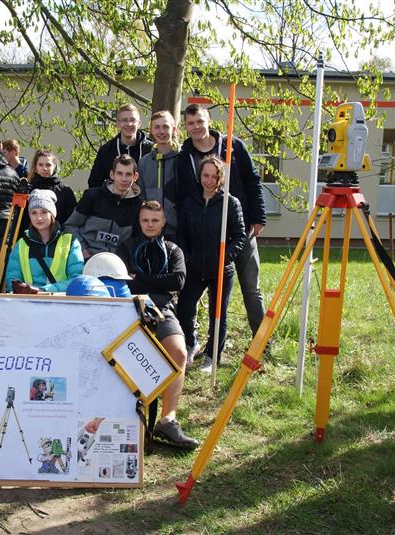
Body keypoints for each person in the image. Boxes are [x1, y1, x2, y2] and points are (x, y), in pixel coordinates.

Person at [175, 103, 267, 341]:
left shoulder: (233, 146)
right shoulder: (184, 157)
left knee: (250, 287)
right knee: (198, 292)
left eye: (200, 121)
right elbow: (184, 196)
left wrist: (258, 216)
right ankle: (194, 342)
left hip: (240, 229)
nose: (196, 127)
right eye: (191, 123)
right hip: (204, 235)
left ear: (209, 121)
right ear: (185, 127)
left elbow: (253, 180)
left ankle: (261, 342)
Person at [117, 200, 198, 449]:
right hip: (129, 308)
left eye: (155, 220)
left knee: (179, 352)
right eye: (145, 220)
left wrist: (141, 278)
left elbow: (178, 280)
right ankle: (129, 419)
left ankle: (167, 420)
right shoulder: (126, 247)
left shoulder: (173, 250)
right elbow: (123, 282)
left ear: (163, 222)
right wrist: (156, 281)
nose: (150, 225)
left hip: (162, 308)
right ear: (139, 222)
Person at [176, 156, 246, 368]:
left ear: (220, 178)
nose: (209, 180)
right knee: (184, 308)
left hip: (221, 270)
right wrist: (187, 257)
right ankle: (191, 344)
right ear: (200, 176)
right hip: (194, 268)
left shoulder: (230, 203)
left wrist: (224, 257)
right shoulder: (190, 202)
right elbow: (181, 234)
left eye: (214, 176)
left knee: (218, 315)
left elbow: (239, 237)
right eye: (205, 175)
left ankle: (212, 357)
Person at [65, 154, 142, 259]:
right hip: (86, 258)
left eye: (128, 174)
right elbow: (70, 226)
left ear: (135, 177)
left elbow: (137, 240)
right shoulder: (92, 196)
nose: (124, 179)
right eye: (119, 173)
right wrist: (82, 249)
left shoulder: (138, 206)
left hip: (117, 262)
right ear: (112, 174)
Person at [5, 189, 83, 293]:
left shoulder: (70, 242)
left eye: (44, 212)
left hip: (60, 301)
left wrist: (43, 290)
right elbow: (12, 278)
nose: (39, 218)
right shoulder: (21, 244)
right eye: (34, 213)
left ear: (52, 214)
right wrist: (19, 287)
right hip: (27, 301)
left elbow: (76, 279)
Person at [87, 103, 153, 189]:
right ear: (117, 123)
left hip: (145, 197)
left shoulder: (151, 149)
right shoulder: (106, 150)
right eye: (124, 120)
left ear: (139, 123)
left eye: (132, 120)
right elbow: (95, 183)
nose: (129, 124)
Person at [138, 111, 179, 241]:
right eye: (157, 127)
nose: (161, 131)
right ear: (151, 131)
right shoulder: (144, 162)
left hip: (178, 230)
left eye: (165, 126)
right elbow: (141, 196)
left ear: (174, 129)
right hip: (151, 231)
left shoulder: (183, 158)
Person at [26, 150, 77, 226]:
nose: (44, 168)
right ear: (35, 167)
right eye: (40, 165)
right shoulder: (28, 189)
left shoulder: (65, 190)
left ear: (54, 166)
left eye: (48, 165)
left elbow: (72, 220)